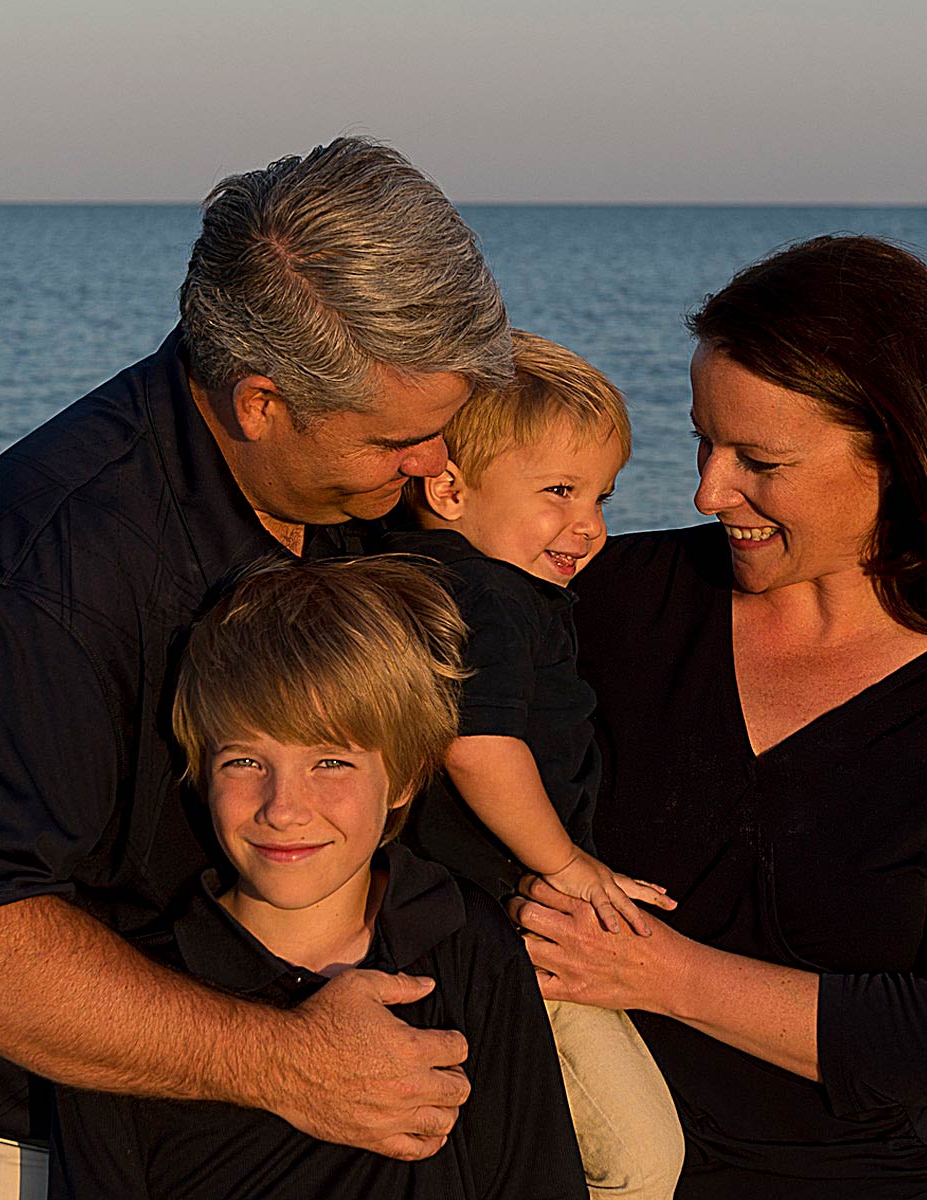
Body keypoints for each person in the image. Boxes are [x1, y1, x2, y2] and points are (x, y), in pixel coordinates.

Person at [0, 137, 513, 1199]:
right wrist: (287, 1061)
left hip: (311, 1126)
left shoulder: (355, 491)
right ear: (261, 402)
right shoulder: (43, 561)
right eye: (400, 439)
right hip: (31, 1155)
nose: (436, 467)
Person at [510, 235, 927, 1199]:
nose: (709, 491)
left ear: (906, 453)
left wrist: (661, 974)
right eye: (703, 441)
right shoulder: (606, 602)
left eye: (762, 459)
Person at [50, 557, 586, 1199]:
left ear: (406, 775)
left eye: (330, 761)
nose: (283, 807)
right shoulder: (135, 994)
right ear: (200, 767)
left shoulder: (464, 941)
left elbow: (534, 1176)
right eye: (245, 760)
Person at [384, 330, 684, 1198]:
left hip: (451, 927)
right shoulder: (484, 594)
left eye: (602, 495)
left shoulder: (417, 573)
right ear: (447, 487)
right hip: (521, 935)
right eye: (558, 491)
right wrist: (570, 866)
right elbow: (477, 745)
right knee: (639, 1162)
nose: (589, 525)